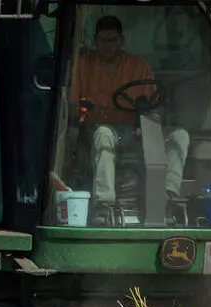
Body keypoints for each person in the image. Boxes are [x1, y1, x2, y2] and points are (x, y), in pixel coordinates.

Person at [70, 15, 190, 212]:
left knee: (179, 135)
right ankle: (104, 202)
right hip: (102, 130)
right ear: (95, 41)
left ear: (121, 41)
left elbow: (155, 104)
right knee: (103, 134)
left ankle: (168, 194)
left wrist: (146, 126)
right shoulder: (83, 66)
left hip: (136, 130)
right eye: (102, 41)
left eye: (112, 40)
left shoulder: (138, 67)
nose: (107, 46)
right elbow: (73, 105)